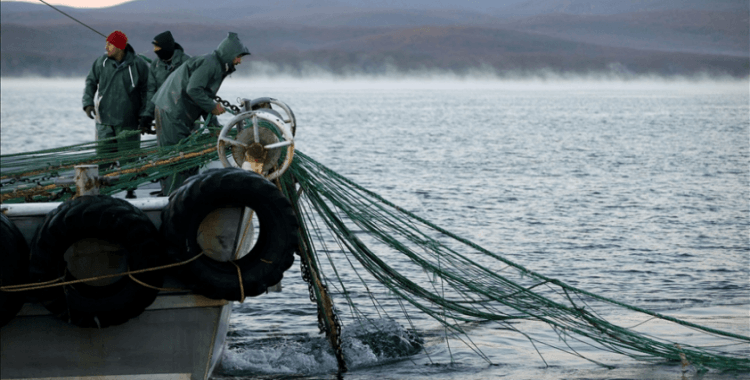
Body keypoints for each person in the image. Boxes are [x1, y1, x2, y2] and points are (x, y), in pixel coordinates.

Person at [151, 32, 250, 195]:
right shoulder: (210, 64)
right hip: (171, 109)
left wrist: (214, 128)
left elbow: (204, 95)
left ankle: (183, 192)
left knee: (184, 154)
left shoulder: (217, 66)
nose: (239, 61)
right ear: (229, 54)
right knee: (174, 156)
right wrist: (213, 106)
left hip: (178, 111)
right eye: (238, 56)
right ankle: (172, 196)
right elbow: (194, 90)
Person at [82, 30, 149, 199]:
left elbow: (147, 90)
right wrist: (88, 103)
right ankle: (102, 192)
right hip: (104, 120)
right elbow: (90, 82)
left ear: (121, 46)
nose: (106, 47)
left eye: (110, 44)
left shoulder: (138, 64)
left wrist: (145, 115)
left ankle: (130, 190)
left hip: (128, 120)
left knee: (129, 158)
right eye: (106, 43)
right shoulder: (101, 63)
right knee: (103, 158)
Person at [138, 31, 190, 134]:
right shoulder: (155, 65)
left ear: (166, 47)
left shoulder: (187, 63)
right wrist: (148, 115)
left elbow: (196, 90)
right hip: (162, 116)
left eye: (157, 47)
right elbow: (151, 92)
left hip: (186, 117)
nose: (154, 50)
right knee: (165, 147)